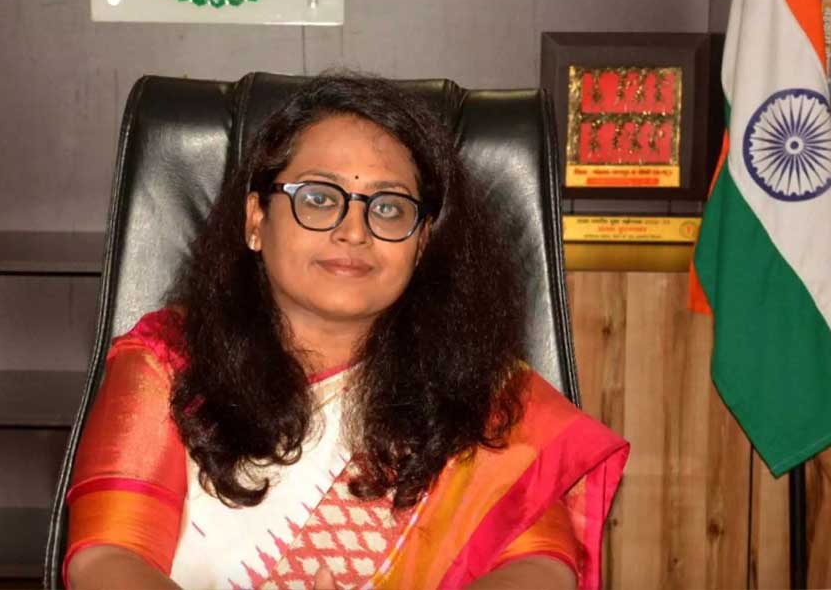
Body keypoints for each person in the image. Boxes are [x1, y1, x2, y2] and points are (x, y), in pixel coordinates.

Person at [63, 74, 628, 589]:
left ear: (421, 242)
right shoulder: (167, 362)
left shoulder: (484, 391)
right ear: (256, 220)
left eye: (389, 208)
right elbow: (107, 558)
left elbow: (539, 567)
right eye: (318, 198)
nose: (354, 231)